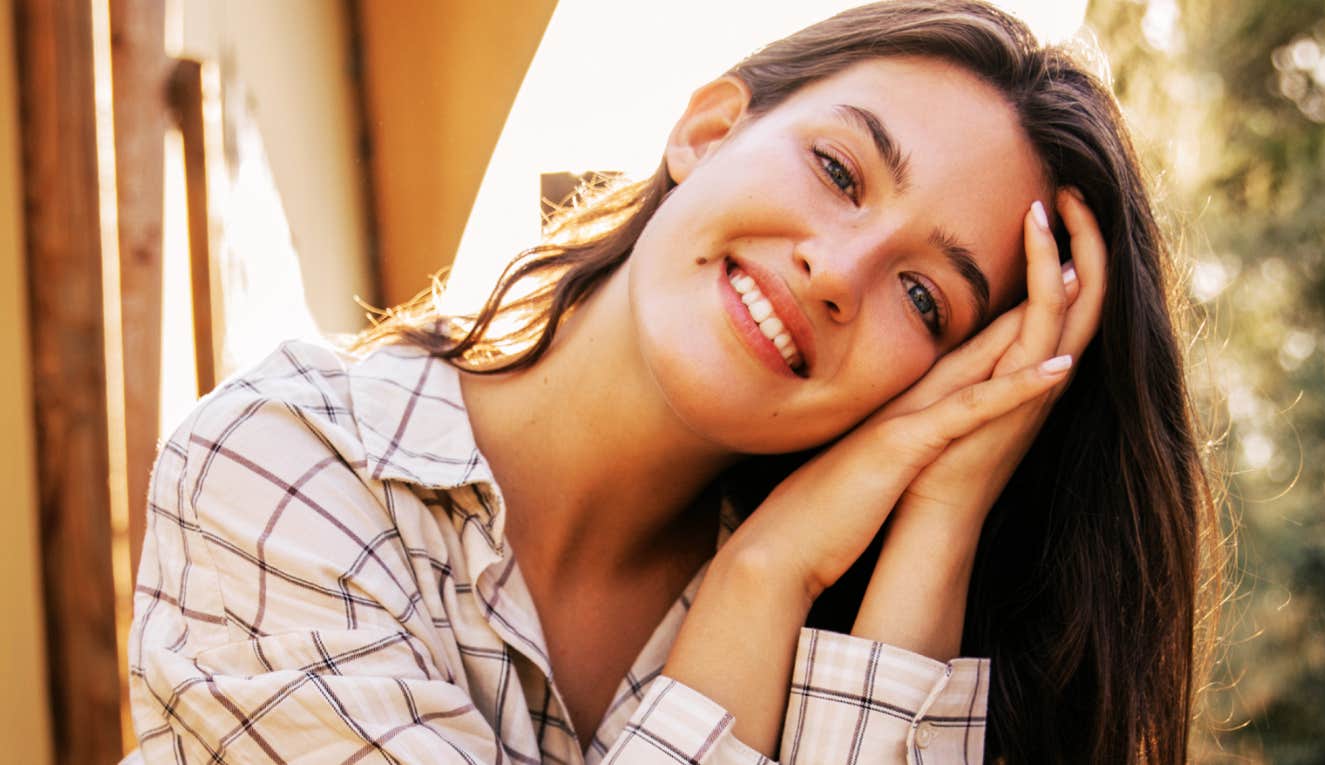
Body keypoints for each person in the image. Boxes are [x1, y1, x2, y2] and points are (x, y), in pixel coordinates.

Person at [123, 1, 1221, 762]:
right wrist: (765, 576)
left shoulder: (855, 628)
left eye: (926, 299)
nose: (836, 273)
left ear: (941, 386)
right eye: (838, 170)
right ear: (707, 129)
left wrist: (934, 509)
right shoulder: (289, 465)